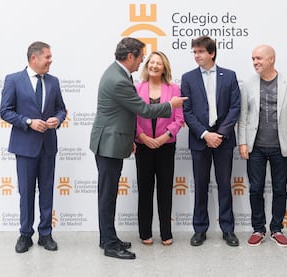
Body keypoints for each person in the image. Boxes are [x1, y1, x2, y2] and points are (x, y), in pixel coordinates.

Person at [89, 37, 187, 260]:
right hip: (109, 143)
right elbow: (143, 109)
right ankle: (110, 244)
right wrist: (170, 105)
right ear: (131, 56)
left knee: (109, 193)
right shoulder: (120, 79)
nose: (143, 61)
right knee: (107, 195)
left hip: (113, 141)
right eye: (142, 57)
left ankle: (108, 238)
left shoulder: (120, 74)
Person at [0, 41, 67, 253]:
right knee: (26, 193)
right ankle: (25, 234)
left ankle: (45, 234)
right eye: (47, 57)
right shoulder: (13, 80)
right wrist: (29, 122)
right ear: (33, 58)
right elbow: (5, 111)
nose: (51, 60)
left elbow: (61, 109)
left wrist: (57, 119)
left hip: (48, 147)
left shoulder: (53, 82)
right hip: (25, 147)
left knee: (47, 191)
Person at [238, 45, 287, 247]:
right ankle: (258, 229)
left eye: (259, 58)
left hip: (281, 147)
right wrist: (242, 142)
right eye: (253, 59)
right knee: (255, 189)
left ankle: (276, 229)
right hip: (255, 147)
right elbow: (243, 117)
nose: (255, 62)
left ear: (271, 59)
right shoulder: (248, 84)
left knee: (280, 189)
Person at [181, 36, 241, 247]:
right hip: (200, 140)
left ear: (212, 53)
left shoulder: (230, 76)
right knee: (200, 185)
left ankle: (228, 230)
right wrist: (205, 134)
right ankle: (199, 229)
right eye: (194, 52)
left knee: (225, 185)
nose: (196, 55)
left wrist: (220, 134)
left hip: (223, 140)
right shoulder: (187, 78)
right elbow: (186, 112)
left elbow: (235, 108)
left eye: (200, 52)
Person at [135, 51, 184, 246]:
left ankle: (166, 232)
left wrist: (164, 137)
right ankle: (145, 232)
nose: (154, 66)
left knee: (165, 190)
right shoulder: (137, 88)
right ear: (147, 65)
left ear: (165, 68)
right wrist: (143, 137)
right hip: (143, 146)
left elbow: (179, 119)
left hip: (166, 146)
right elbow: (132, 117)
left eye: (159, 63)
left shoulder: (174, 89)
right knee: (145, 190)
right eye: (151, 62)